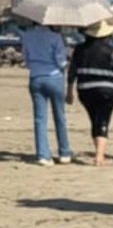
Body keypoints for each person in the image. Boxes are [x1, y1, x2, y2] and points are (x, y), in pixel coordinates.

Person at [66, 20, 113, 166]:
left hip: (85, 89)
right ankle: (99, 157)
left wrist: (69, 90)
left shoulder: (79, 49)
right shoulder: (110, 50)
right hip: (108, 89)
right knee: (103, 119)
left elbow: (72, 72)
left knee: (94, 119)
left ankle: (99, 153)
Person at [18, 20, 71, 165]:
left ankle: (43, 154)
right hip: (54, 76)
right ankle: (64, 152)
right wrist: (66, 65)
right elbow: (60, 60)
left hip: (36, 76)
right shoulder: (55, 37)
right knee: (59, 116)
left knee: (40, 118)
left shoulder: (27, 36)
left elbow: (26, 60)